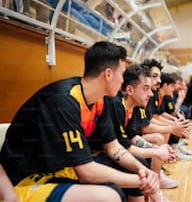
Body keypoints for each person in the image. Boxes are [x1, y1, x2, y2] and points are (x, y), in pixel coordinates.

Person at [0, 41, 159, 202]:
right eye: (122, 74)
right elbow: (86, 173)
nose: (123, 81)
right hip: (26, 179)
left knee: (134, 169)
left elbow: (113, 147)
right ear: (108, 74)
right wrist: (141, 181)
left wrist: (142, 170)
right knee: (109, 196)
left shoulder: (100, 101)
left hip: (62, 169)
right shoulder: (63, 101)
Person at [108, 65, 177, 201]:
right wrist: (156, 152)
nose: (151, 93)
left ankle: (155, 192)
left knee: (151, 151)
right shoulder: (116, 105)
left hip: (118, 149)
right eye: (146, 88)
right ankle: (156, 194)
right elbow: (125, 147)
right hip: (101, 154)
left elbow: (133, 137)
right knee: (140, 166)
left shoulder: (132, 107)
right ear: (129, 90)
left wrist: (158, 149)